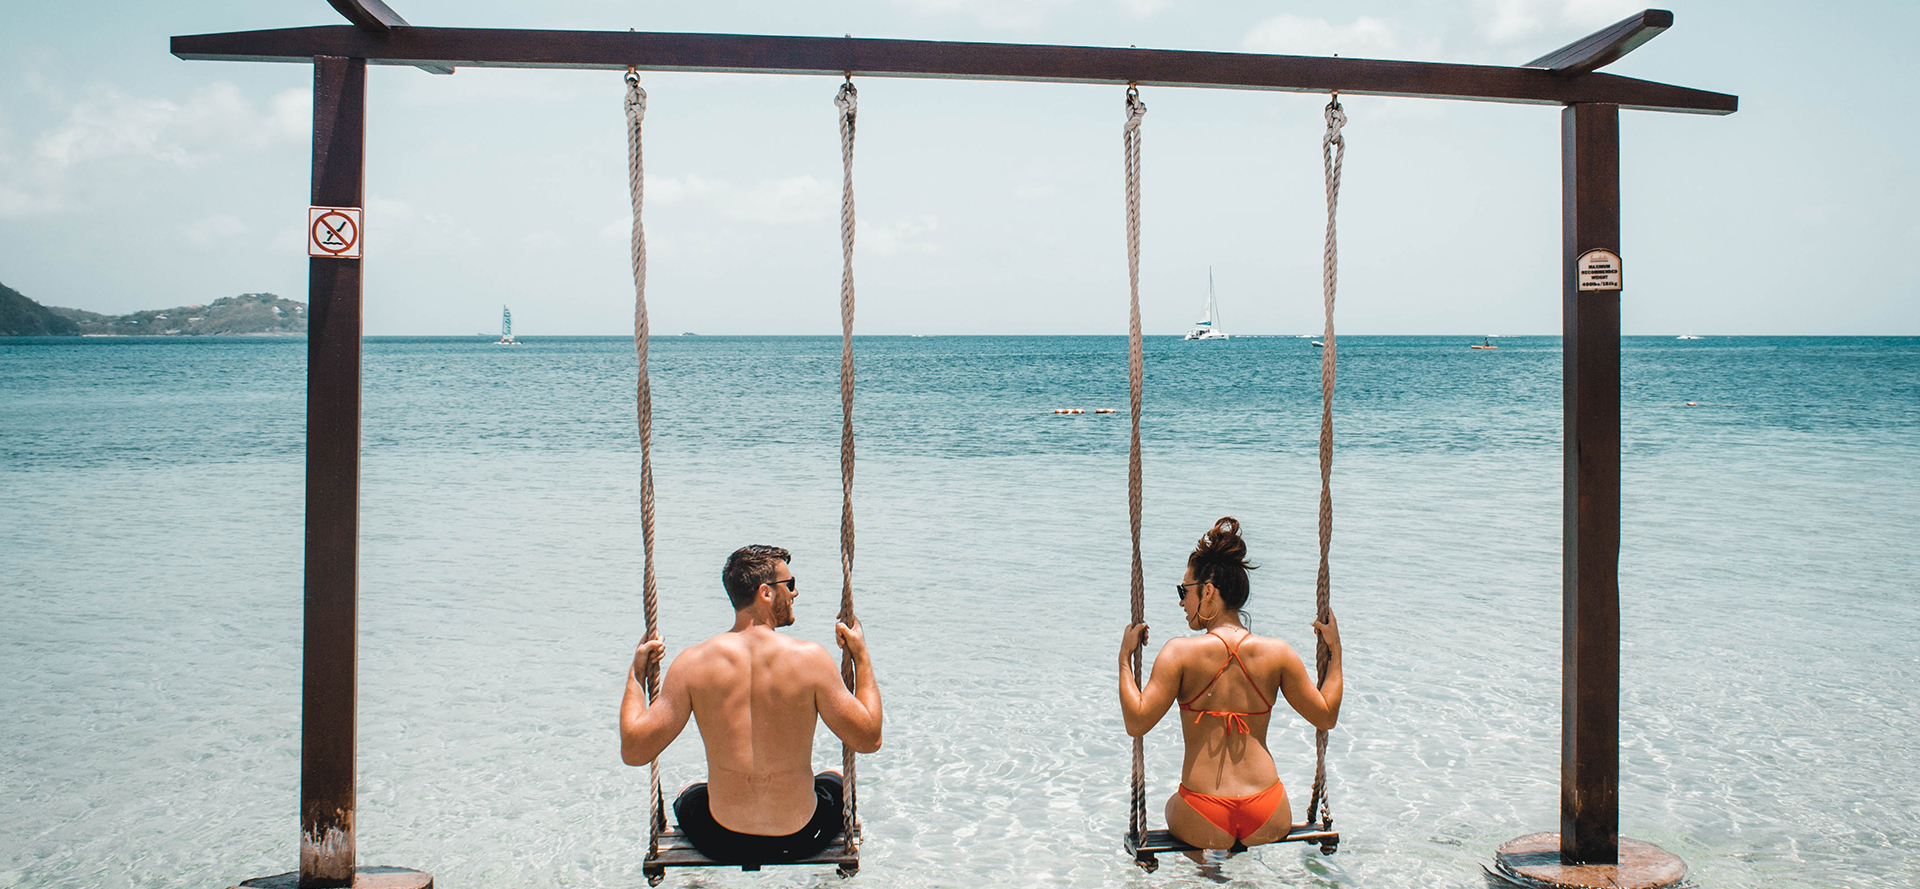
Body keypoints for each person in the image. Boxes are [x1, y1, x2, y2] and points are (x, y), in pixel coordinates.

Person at [621, 545, 883, 864]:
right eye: (789, 584)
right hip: (801, 838)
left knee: (689, 797)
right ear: (766, 593)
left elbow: (635, 751)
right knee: (833, 783)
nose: (795, 592)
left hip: (719, 840)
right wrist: (862, 656)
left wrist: (636, 674)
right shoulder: (811, 659)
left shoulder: (693, 663)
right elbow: (869, 739)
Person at [1118, 517, 1343, 854]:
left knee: (1170, 807)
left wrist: (1124, 658)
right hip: (1268, 811)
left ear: (1208, 591)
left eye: (1184, 591)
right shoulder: (1278, 653)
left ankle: (1208, 869)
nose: (1181, 602)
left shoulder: (1179, 653)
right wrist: (1336, 653)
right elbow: (1326, 716)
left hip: (1203, 813)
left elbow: (1136, 721)